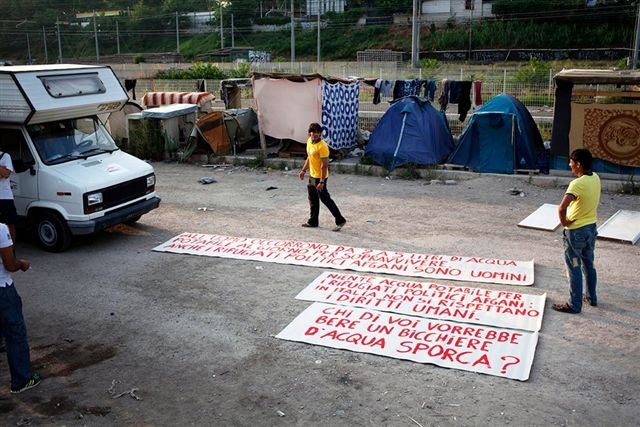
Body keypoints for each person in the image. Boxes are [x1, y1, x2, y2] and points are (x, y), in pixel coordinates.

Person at [552, 148, 601, 314]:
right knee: (589, 264)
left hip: (576, 232)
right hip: (591, 228)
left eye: (571, 162)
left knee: (574, 266)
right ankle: (592, 297)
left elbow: (561, 208)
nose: (569, 165)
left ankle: (574, 304)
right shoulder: (595, 178)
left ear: (578, 164)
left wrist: (564, 222)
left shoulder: (577, 184)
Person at [0, 221, 41, 393]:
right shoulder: (1, 229)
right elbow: (10, 264)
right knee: (15, 333)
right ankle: (22, 380)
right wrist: (22, 263)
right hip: (2, 290)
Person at [298, 123, 347, 232]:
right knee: (313, 199)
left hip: (320, 177)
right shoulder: (309, 142)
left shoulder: (323, 146)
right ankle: (313, 221)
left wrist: (322, 181)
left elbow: (324, 165)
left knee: (325, 199)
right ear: (309, 133)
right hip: (312, 175)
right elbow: (309, 158)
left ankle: (340, 219)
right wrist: (303, 170)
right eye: (313, 132)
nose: (315, 134)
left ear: (320, 133)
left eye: (317, 133)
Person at [0, 150, 18, 242]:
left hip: (5, 197)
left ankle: (12, 250)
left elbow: (6, 174)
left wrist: (3, 172)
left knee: (10, 224)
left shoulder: (5, 156)